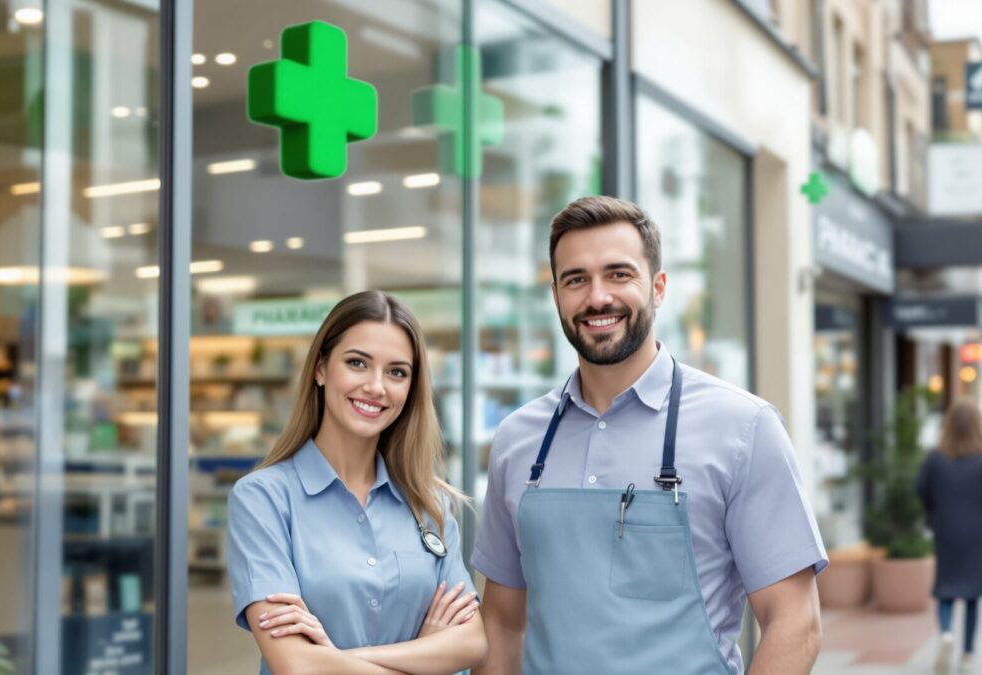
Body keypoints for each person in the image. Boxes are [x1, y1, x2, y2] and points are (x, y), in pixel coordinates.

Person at [470, 196, 828, 675]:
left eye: (619, 274)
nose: (598, 297)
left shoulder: (743, 428)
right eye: (576, 279)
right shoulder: (517, 440)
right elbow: (502, 625)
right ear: (556, 296)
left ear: (658, 288)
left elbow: (795, 622)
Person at [227, 291, 487, 675]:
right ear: (320, 368)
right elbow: (297, 666)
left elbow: (472, 642)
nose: (376, 386)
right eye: (357, 363)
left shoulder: (430, 503)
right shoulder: (263, 500)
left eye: (397, 372)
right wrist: (425, 654)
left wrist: (335, 658)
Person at [917, 398, 982, 675]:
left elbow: (921, 489)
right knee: (971, 595)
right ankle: (967, 654)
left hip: (946, 531)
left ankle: (945, 634)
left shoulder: (935, 458)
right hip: (976, 534)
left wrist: (935, 512)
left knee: (945, 588)